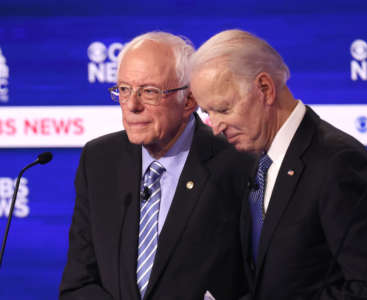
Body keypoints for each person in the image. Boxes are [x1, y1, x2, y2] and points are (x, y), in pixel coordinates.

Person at [190, 29, 367, 300]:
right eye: (207, 112)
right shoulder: (253, 160)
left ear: (265, 89)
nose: (216, 127)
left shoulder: (336, 162)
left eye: (223, 109)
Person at [59, 31, 254, 300]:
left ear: (189, 100)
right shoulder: (99, 160)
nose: (132, 106)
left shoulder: (238, 163)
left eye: (149, 92)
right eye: (124, 90)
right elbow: (78, 284)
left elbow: (260, 283)